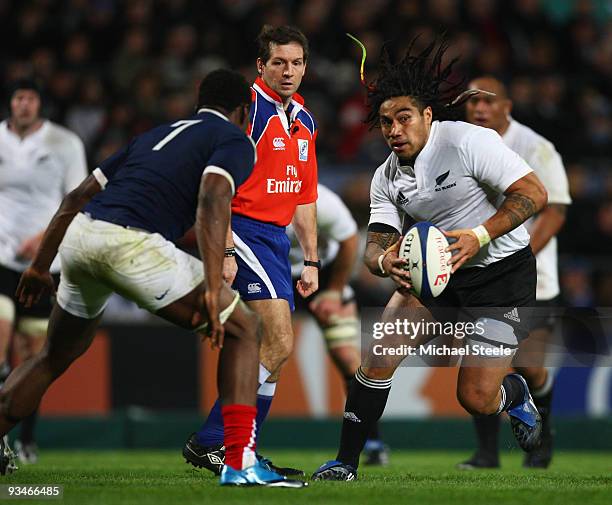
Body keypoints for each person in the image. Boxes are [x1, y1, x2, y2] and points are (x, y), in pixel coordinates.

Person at [0, 69, 306, 488]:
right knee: (245, 329)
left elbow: (76, 198)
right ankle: (238, 461)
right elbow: (213, 200)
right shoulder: (236, 140)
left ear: (200, 100)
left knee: (53, 356)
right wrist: (215, 287)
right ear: (244, 110)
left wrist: (40, 265)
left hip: (83, 237)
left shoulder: (155, 135)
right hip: (130, 243)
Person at [312, 38, 548, 481]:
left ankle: (514, 393)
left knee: (476, 399)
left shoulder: (467, 142)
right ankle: (344, 463)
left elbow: (534, 194)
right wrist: (385, 264)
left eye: (403, 118)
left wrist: (478, 236)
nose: (394, 130)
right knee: (378, 356)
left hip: (501, 277)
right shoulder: (387, 176)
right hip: (436, 276)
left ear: (427, 116)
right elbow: (375, 244)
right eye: (385, 122)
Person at [183, 26, 318, 477]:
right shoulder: (250, 112)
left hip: (277, 241)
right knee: (277, 340)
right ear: (261, 66)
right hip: (241, 229)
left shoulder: (304, 119)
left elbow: (304, 197)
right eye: (279, 62)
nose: (289, 71)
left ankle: (240, 450)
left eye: (297, 63)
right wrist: (222, 250)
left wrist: (312, 259)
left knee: (273, 356)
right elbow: (217, 182)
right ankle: (214, 441)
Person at [460, 75, 571, 469]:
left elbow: (554, 210)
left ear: (508, 106)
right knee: (480, 364)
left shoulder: (536, 147)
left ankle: (543, 442)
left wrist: (520, 257)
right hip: (479, 275)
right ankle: (487, 454)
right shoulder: (460, 145)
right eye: (472, 102)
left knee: (528, 363)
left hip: (533, 278)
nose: (479, 109)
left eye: (488, 101)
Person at [0, 79, 88, 466]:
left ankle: (27, 442)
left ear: (41, 105)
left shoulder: (65, 143)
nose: (23, 105)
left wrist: (42, 237)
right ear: (11, 103)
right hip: (0, 258)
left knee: (33, 358)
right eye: (18, 98)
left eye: (30, 99)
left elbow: (78, 198)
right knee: (1, 343)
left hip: (42, 266)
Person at [289, 184, 388, 465]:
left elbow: (349, 240)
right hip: (278, 277)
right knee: (262, 355)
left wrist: (334, 290)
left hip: (324, 276)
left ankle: (373, 442)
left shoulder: (323, 200)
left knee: (348, 359)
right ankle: (238, 444)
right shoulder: (257, 193)